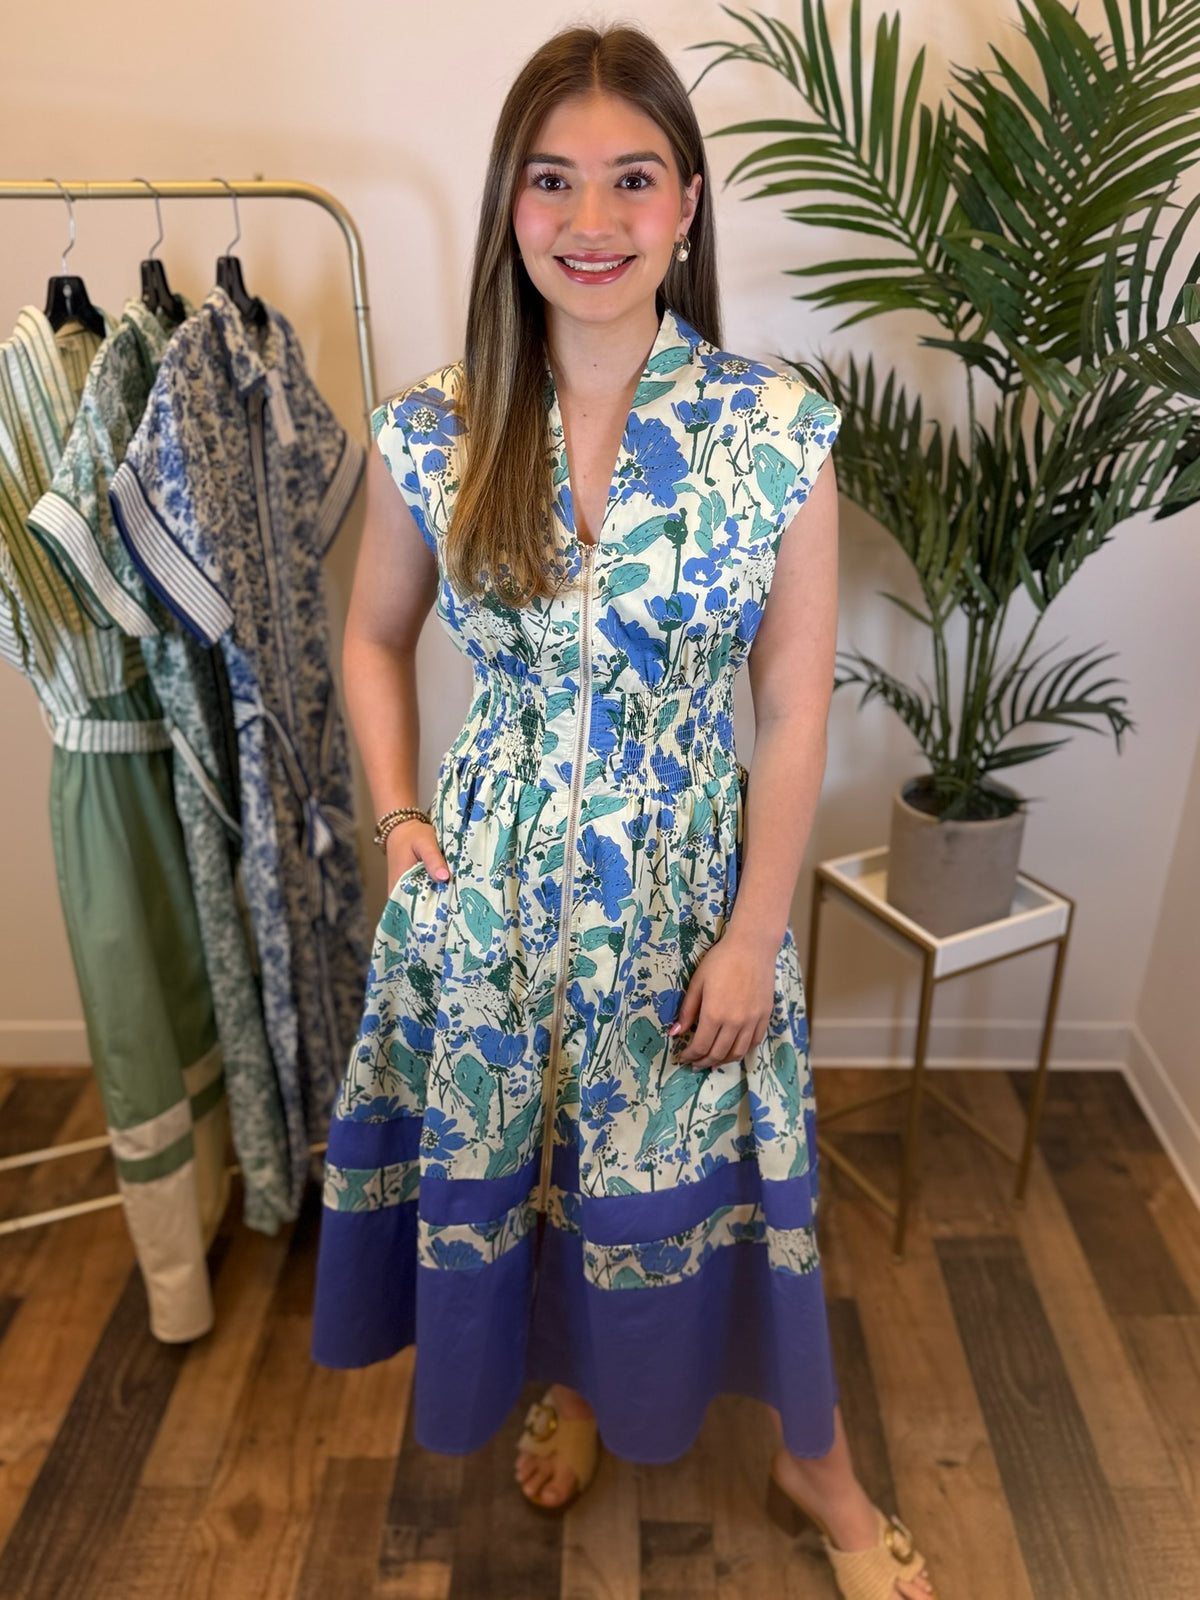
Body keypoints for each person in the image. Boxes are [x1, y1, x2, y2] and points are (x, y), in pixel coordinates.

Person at [311, 23, 935, 1600]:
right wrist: (400, 827)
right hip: (490, 900)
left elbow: (794, 706)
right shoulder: (436, 429)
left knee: (726, 1177)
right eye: (552, 181)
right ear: (510, 204)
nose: (591, 220)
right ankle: (578, 1386)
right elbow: (370, 638)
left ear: (688, 202)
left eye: (632, 179)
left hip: (688, 896)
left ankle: (815, 1464)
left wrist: (756, 931)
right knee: (542, 1170)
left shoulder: (773, 433)